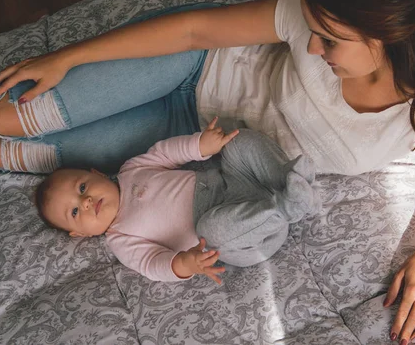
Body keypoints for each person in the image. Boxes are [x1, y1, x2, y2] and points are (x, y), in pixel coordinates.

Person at [0, 0, 415, 342]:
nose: (310, 46)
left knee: (12, 154)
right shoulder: (312, 17)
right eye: (312, 28)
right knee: (8, 117)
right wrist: (68, 57)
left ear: (389, 37)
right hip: (196, 69)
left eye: (329, 40)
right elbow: (193, 28)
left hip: (193, 145)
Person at [35, 120, 319, 283]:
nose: (85, 201)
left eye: (82, 187)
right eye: (74, 211)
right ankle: (287, 206)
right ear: (81, 234)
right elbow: (152, 264)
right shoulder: (120, 237)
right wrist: (184, 263)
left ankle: (287, 178)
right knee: (211, 229)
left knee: (236, 140)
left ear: (96, 173)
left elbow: (165, 153)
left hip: (237, 183)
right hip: (246, 236)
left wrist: (200, 145)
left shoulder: (131, 169)